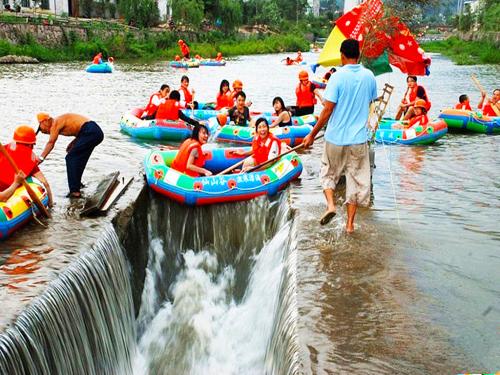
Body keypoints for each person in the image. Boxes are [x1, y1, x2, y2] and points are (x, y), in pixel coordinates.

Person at [302, 38, 378, 233]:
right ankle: (350, 225)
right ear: (358, 54)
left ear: (342, 56)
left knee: (328, 173)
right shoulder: (370, 76)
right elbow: (372, 104)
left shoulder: (336, 77)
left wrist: (312, 134)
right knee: (356, 180)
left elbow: (327, 110)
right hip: (358, 140)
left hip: (335, 138)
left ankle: (330, 205)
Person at [36, 113, 104, 198]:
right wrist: (74, 142)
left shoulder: (54, 123)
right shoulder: (59, 122)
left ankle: (75, 191)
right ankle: (77, 185)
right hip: (92, 131)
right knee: (79, 158)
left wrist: (41, 158)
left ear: (44, 121)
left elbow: (51, 143)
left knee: (70, 158)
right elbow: (79, 128)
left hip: (90, 131)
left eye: (42, 129)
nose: (45, 132)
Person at [0, 126, 53, 205]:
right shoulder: (32, 160)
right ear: (31, 145)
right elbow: (45, 183)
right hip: (7, 191)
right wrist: (51, 204)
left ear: (14, 141)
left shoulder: (4, 149)